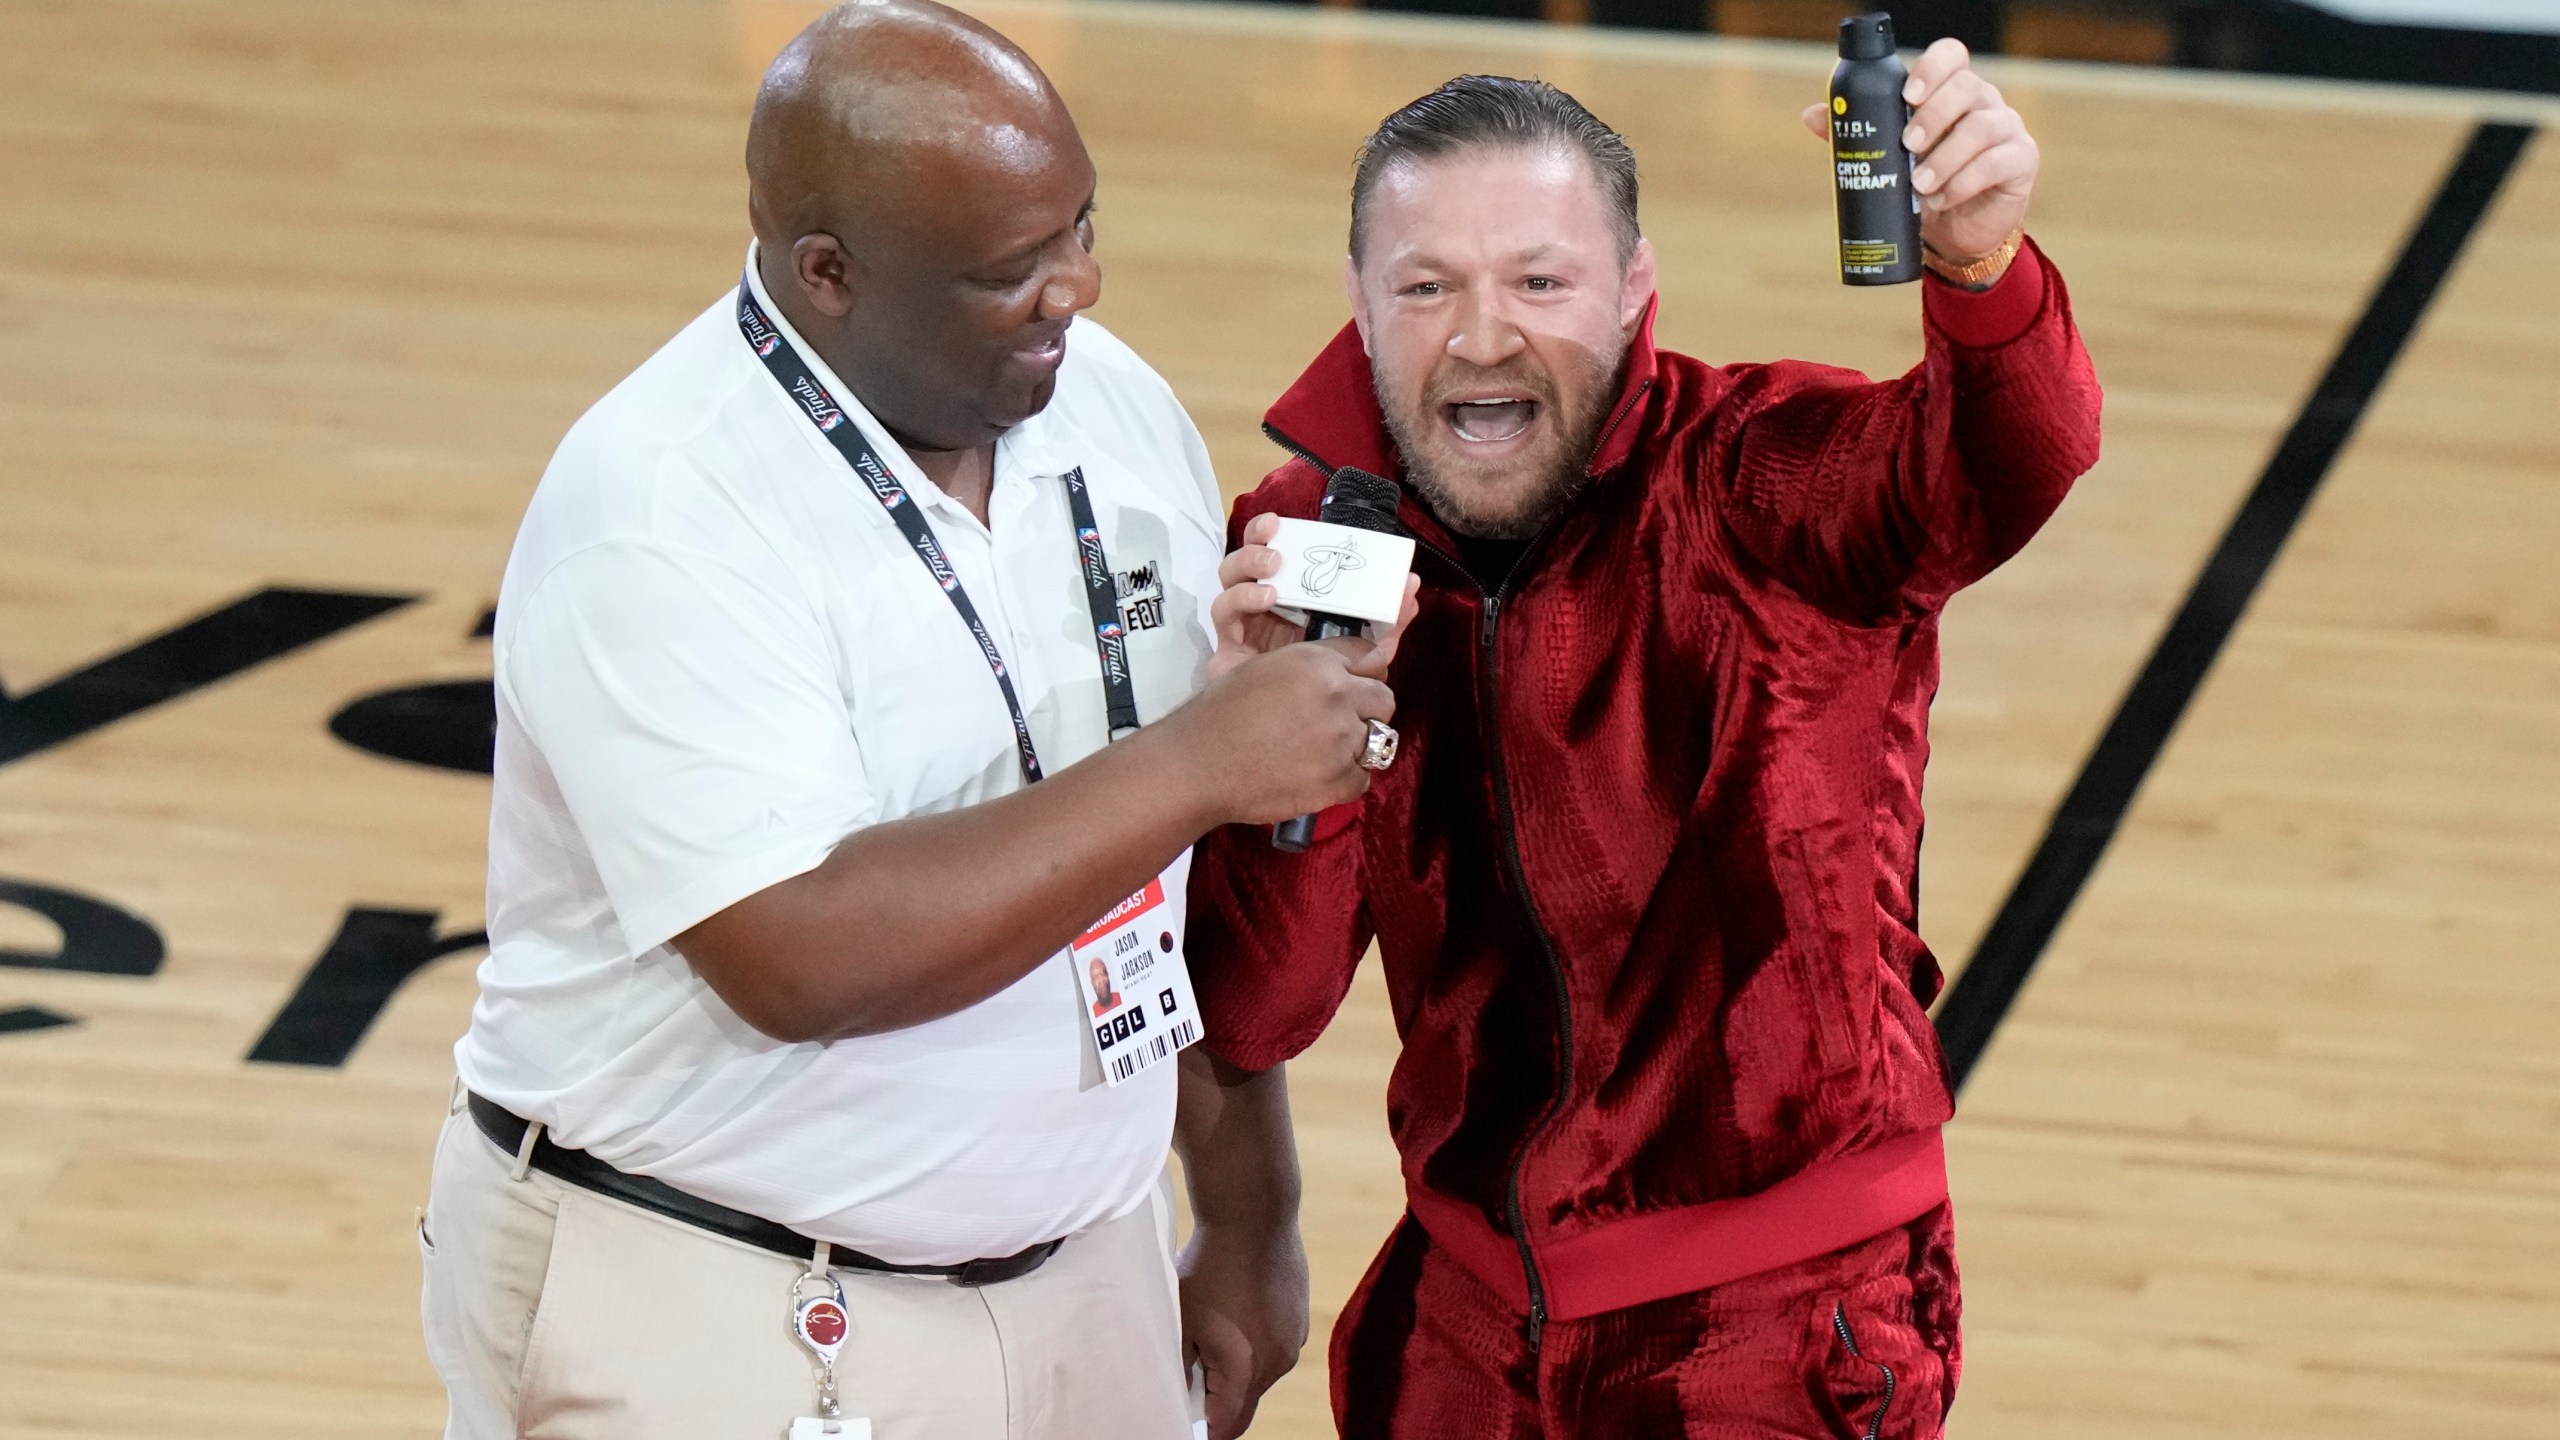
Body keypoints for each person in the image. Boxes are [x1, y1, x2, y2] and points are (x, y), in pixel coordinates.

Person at [416, 4, 1406, 1437]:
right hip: (726, 1299)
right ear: (829, 274)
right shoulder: (660, 514)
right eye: (1015, 270)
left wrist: (1247, 1213)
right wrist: (1197, 761)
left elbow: (1144, 891)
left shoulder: (1108, 410)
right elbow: (803, 956)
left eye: (1080, 226)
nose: (1080, 286)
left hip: (1086, 1276)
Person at [1177, 56, 2101, 1440]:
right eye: (1427, 288)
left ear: (1633, 290)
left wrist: (1979, 268)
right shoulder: (1314, 540)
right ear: (1362, 307)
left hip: (1779, 1334)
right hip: (1457, 1327)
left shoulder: (1762, 481)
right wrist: (1263, 778)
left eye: (1539, 284)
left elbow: (2005, 457)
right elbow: (1259, 1008)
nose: (1482, 336)